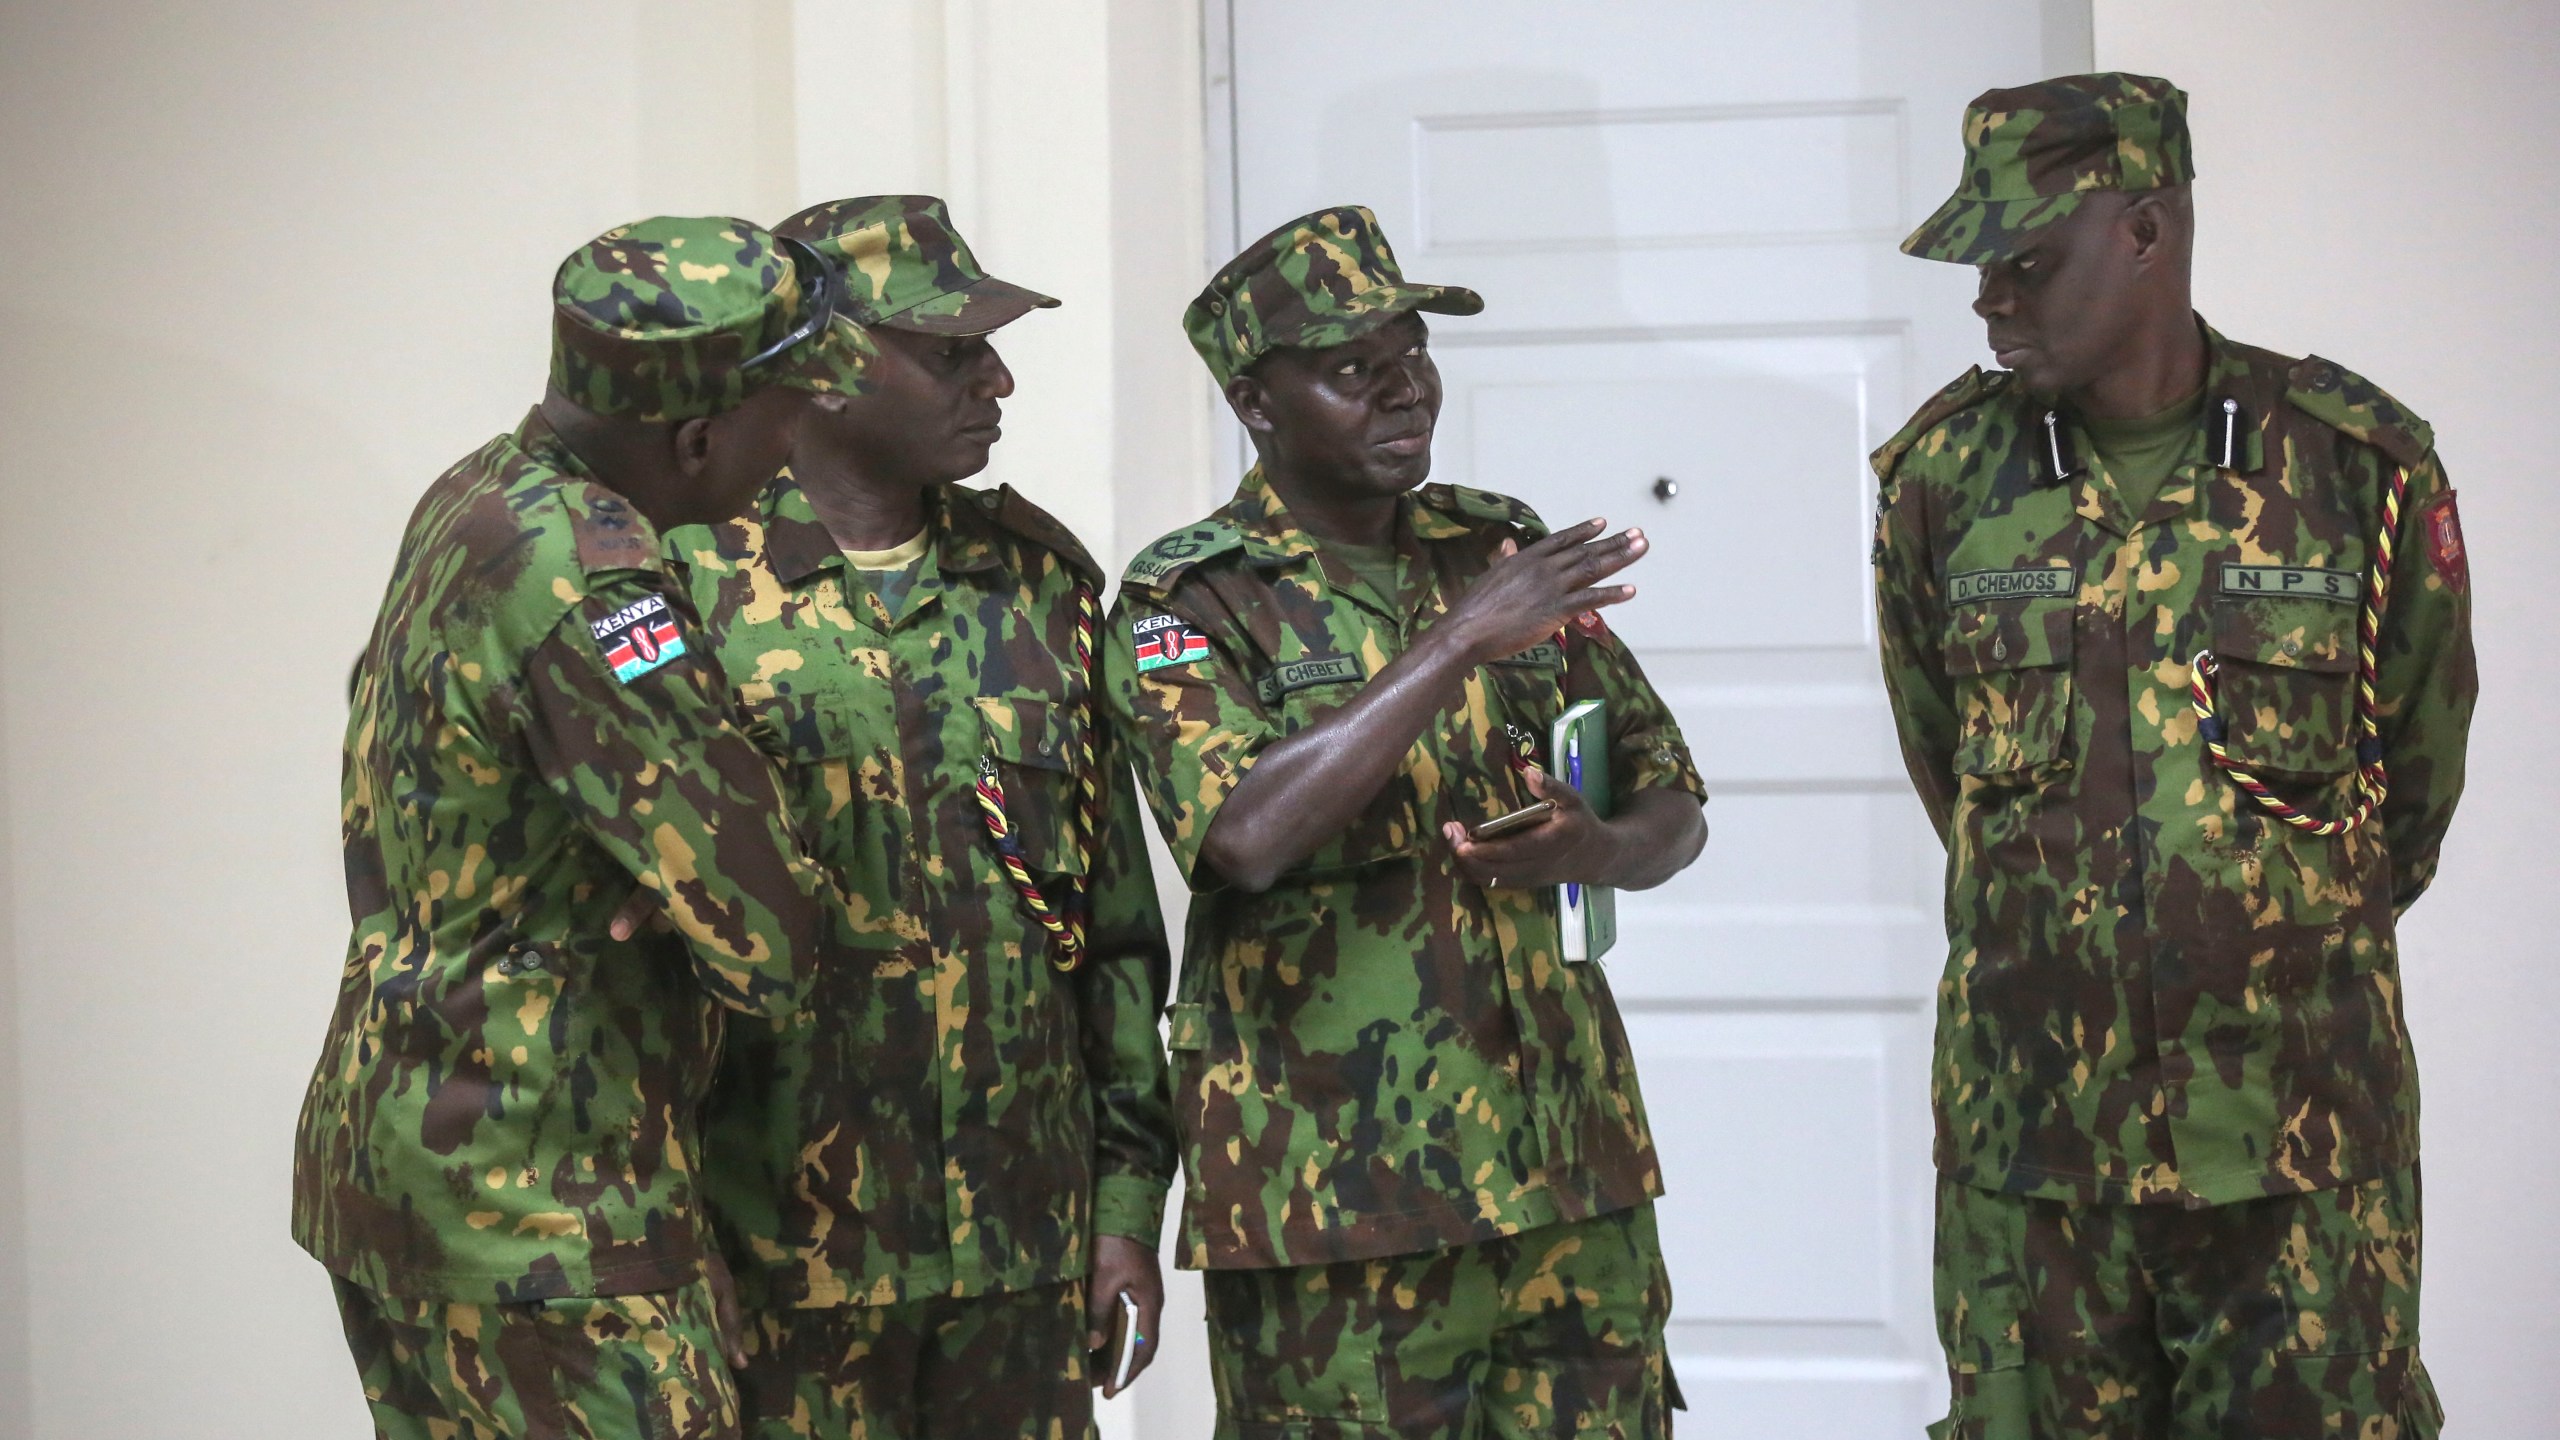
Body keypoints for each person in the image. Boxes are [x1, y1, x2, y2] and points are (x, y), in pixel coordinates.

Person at [1873, 73, 2475, 1438]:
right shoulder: (1942, 485)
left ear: (2144, 233)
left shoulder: (2356, 469)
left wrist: (2254, 934)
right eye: (1984, 269)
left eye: (2026, 262)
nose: (1990, 302)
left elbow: (2413, 789)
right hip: (2034, 1156)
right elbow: (1948, 774)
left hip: (2298, 1151)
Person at [1106, 205, 1710, 1439]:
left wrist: (1598, 848)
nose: (1404, 395)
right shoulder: (1187, 598)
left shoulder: (1494, 545)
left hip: (1566, 1174)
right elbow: (1240, 835)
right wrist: (1457, 642)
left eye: (1411, 357)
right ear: (1258, 403)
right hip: (1336, 1209)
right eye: (1351, 371)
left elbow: (1672, 798)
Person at [292, 215, 874, 1440]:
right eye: (784, 415)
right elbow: (768, 930)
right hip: (546, 1200)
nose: (792, 450)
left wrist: (646, 877)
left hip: (406, 1158)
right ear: (699, 433)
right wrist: (691, 896)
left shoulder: (476, 498)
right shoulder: (595, 582)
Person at [668, 195, 1177, 1440]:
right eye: (953, 352)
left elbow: (1109, 940)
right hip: (773, 1259)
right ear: (828, 371)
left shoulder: (1041, 587)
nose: (997, 378)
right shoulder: (680, 589)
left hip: (1020, 1253)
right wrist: (664, 1248)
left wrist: (1121, 1212)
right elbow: (625, 968)